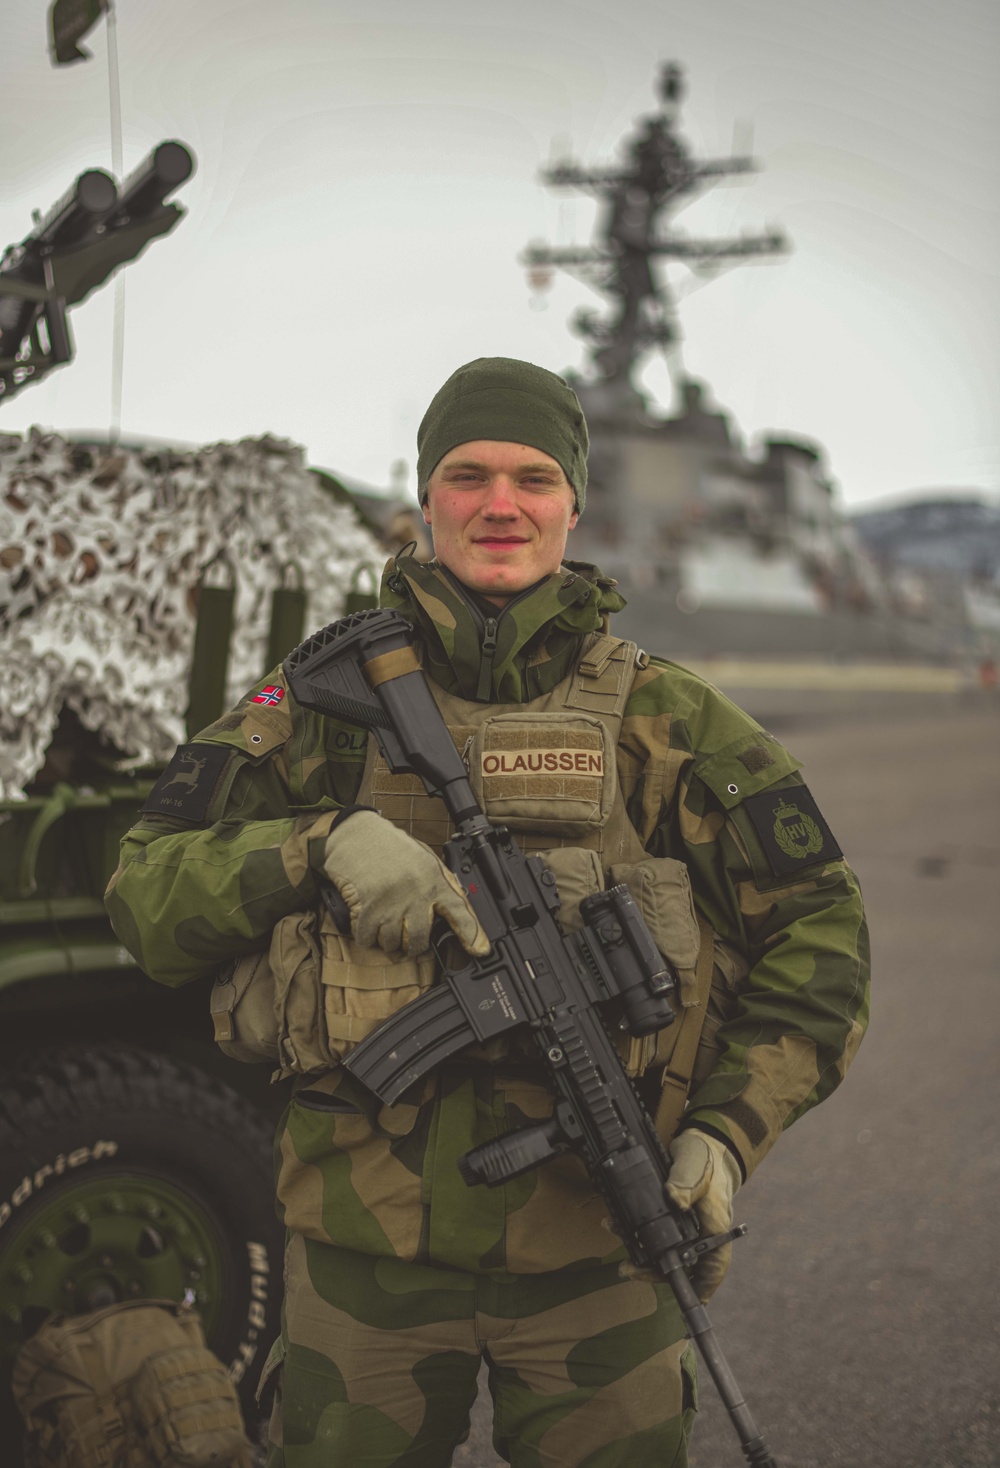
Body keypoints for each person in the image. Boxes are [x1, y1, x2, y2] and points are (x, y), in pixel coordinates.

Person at [106, 357, 869, 1468]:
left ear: (573, 502)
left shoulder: (667, 717)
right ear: (426, 497)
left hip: (600, 1264)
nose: (498, 505)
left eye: (531, 477)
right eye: (466, 475)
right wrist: (312, 848)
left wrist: (724, 1133)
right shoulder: (321, 708)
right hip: (360, 1266)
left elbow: (822, 930)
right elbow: (144, 890)